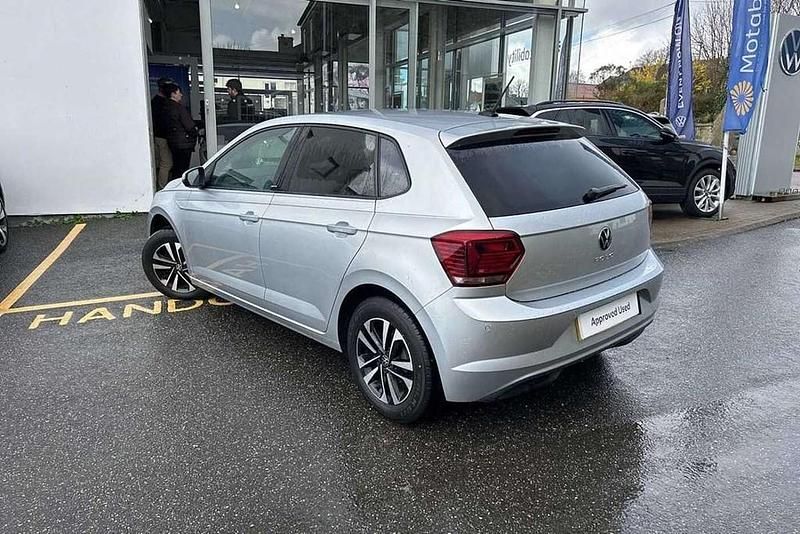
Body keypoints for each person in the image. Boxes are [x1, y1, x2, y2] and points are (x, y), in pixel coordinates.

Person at [163, 83, 198, 179]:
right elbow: (189, 126)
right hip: (183, 143)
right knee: (183, 169)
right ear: (173, 94)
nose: (181, 95)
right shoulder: (179, 108)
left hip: (173, 142)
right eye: (179, 92)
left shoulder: (166, 107)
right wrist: (195, 133)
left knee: (176, 167)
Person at [151, 77, 174, 189]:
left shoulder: (155, 101)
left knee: (160, 163)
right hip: (162, 137)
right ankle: (162, 188)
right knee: (166, 163)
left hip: (157, 136)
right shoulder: (162, 103)